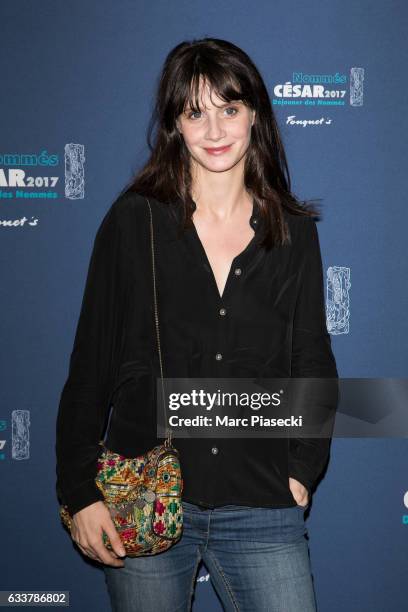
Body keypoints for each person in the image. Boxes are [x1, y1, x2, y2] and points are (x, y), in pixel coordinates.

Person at [55, 37, 338, 612]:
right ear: (174, 125)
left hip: (261, 500)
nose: (214, 130)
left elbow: (312, 360)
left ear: (254, 114)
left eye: (229, 109)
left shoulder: (293, 234)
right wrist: (79, 490)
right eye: (195, 112)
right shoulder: (134, 221)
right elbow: (91, 365)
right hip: (146, 502)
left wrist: (303, 468)